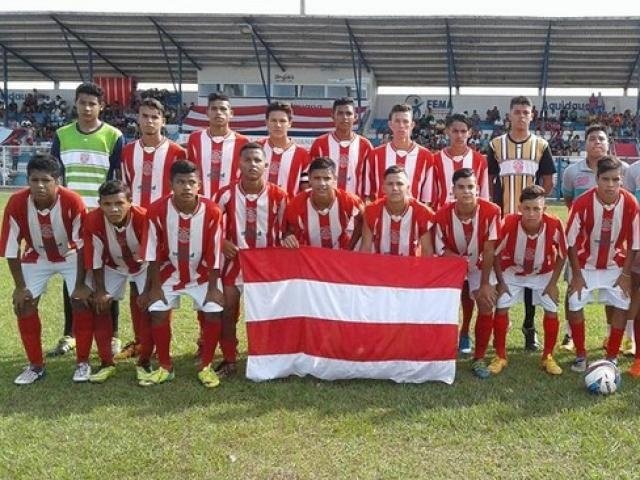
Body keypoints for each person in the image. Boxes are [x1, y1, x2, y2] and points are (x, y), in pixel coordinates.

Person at [49, 82, 124, 358]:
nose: (87, 108)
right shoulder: (62, 134)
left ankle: (113, 334)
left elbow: (117, 178)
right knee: (74, 273)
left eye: (93, 103)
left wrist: (112, 211)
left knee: (108, 272)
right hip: (71, 216)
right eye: (83, 102)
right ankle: (70, 333)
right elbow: (55, 176)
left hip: (103, 215)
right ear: (76, 104)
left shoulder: (114, 135)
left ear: (101, 106)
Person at [0, 155, 88, 384]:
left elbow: (83, 246)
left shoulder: (73, 200)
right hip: (37, 256)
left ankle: (83, 362)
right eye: (34, 180)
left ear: (57, 181)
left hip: (70, 255)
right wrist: (19, 287)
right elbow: (11, 247)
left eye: (46, 180)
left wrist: (80, 285)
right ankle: (36, 366)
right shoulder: (17, 202)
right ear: (27, 180)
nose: (39, 185)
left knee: (81, 301)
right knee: (23, 304)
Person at [140, 160, 224, 387]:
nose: (186, 187)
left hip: (202, 273)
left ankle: (206, 366)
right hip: (170, 271)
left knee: (214, 312)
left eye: (191, 182)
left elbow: (215, 251)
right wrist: (154, 288)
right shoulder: (156, 210)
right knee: (158, 311)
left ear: (199, 185)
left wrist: (214, 288)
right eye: (180, 182)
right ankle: (165, 366)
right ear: (171, 185)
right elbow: (152, 252)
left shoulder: (212, 211)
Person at [119, 97, 187, 360]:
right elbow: (124, 189)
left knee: (161, 279)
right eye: (144, 116)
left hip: (166, 224)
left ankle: (158, 341)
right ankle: (140, 340)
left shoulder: (177, 152)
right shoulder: (127, 151)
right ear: (138, 119)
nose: (149, 121)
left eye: (154, 117)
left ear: (163, 121)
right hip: (135, 224)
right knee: (137, 281)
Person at [214, 143, 288, 377]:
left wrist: (289, 238)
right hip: (234, 262)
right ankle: (229, 358)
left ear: (265, 165)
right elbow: (211, 226)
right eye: (247, 160)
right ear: (239, 164)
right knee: (228, 311)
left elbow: (288, 228)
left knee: (269, 314)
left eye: (257, 160)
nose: (252, 164)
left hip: (267, 266)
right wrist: (222, 242)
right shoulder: (226, 194)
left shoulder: (279, 195)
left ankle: (268, 357)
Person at [488, 96, 556, 351]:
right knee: (501, 270)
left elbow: (548, 181)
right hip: (504, 220)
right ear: (509, 115)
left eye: (525, 112)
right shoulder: (496, 145)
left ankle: (529, 326)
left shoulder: (541, 145)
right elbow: (490, 180)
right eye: (517, 112)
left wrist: (536, 208)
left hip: (531, 222)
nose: (521, 116)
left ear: (532, 116)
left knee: (530, 269)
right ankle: (501, 322)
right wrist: (497, 212)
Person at [561, 124, 631, 352]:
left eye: (601, 138)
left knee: (616, 296)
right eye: (592, 138)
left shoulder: (624, 172)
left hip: (613, 250)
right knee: (573, 291)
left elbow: (628, 209)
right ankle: (571, 338)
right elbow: (569, 201)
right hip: (583, 248)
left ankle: (611, 339)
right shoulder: (572, 172)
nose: (597, 142)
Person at [565, 156, 639, 372]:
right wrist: (576, 275)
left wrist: (625, 275)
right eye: (605, 179)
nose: (610, 184)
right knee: (574, 303)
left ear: (621, 180)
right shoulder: (582, 203)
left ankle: (612, 356)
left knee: (622, 303)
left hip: (615, 265)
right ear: (597, 179)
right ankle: (581, 355)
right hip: (585, 265)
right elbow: (570, 243)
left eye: (615, 179)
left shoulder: (630, 203)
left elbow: (635, 243)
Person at [80, 180, 152, 384]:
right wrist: (100, 290)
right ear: (99, 204)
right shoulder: (93, 219)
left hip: (144, 266)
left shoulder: (144, 217)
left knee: (151, 306)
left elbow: (154, 255)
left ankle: (145, 361)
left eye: (119, 203)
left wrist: (148, 290)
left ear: (130, 202)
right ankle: (106, 362)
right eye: (107, 204)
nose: (113, 209)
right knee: (98, 305)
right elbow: (94, 257)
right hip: (112, 266)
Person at [434, 168, 501, 379]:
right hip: (450, 265)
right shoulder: (442, 214)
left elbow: (489, 250)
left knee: (486, 302)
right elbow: (440, 249)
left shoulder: (492, 211)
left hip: (480, 265)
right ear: (453, 190)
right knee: (444, 306)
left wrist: (485, 284)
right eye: (461, 187)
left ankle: (479, 357)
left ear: (478, 189)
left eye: (470, 186)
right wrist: (459, 262)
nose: (466, 191)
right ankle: (445, 349)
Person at [493, 185, 567, 375]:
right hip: (513, 271)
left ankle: (547, 356)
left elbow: (562, 254)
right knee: (501, 306)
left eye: (536, 209)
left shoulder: (554, 224)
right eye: (527, 208)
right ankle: (500, 356)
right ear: (520, 208)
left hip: (543, 273)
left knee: (551, 309)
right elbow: (494, 253)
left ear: (544, 209)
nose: (531, 213)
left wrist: (553, 284)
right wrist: (501, 282)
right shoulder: (509, 223)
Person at [283, 157, 363, 250]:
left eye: (327, 178)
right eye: (317, 178)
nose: (322, 183)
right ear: (309, 179)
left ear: (334, 179)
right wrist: (288, 237)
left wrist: (350, 246)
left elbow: (363, 220)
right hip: (309, 254)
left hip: (340, 253)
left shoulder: (349, 201)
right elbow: (288, 231)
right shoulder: (296, 204)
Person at [360, 165, 434, 257]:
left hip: (411, 264)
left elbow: (427, 251)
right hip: (381, 263)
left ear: (408, 188)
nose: (395, 188)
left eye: (400, 184)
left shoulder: (423, 212)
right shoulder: (371, 210)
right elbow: (365, 248)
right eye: (390, 184)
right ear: (383, 188)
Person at [186, 92, 249, 200]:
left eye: (223, 109)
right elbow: (189, 172)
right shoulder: (195, 138)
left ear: (231, 113)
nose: (218, 112)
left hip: (231, 202)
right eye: (214, 109)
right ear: (207, 112)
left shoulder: (242, 141)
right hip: (200, 202)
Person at [369, 104, 435, 205]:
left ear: (412, 125)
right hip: (382, 213)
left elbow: (427, 199)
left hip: (413, 214)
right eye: (397, 121)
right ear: (390, 124)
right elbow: (369, 194)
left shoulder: (426, 156)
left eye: (405, 121)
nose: (401, 125)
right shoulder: (375, 155)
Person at [309, 97, 373, 200]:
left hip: (355, 204)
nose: (345, 117)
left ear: (355, 117)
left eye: (348, 113)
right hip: (326, 203)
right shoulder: (320, 144)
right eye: (340, 113)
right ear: (333, 116)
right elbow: (311, 177)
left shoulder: (365, 145)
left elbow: (370, 179)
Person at [432, 114, 489, 210]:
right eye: (455, 131)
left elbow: (484, 195)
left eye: (463, 131)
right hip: (443, 215)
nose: (459, 135)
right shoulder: (435, 159)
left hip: (472, 215)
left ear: (469, 133)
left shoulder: (480, 160)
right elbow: (431, 196)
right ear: (447, 132)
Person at [258, 101, 310, 197]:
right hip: (259, 205)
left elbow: (306, 190)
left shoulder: (302, 154)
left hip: (289, 206)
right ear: (266, 122)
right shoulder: (256, 149)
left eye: (282, 121)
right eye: (273, 120)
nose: (278, 125)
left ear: (290, 123)